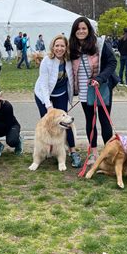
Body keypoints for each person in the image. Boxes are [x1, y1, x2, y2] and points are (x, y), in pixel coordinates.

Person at [69, 16, 118, 165]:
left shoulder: (100, 44)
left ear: (89, 29)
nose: (81, 31)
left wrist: (101, 78)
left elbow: (112, 62)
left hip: (101, 88)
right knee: (90, 121)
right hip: (84, 91)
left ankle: (109, 153)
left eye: (84, 28)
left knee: (105, 121)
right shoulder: (72, 47)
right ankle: (93, 153)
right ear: (74, 31)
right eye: (78, 29)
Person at [34, 34, 82, 168]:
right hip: (43, 94)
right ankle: (47, 150)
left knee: (65, 123)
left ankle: (72, 151)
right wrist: (48, 105)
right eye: (57, 46)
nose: (59, 48)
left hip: (61, 94)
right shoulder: (46, 61)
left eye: (62, 46)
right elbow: (43, 85)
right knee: (48, 124)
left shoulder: (68, 60)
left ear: (66, 47)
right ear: (53, 47)